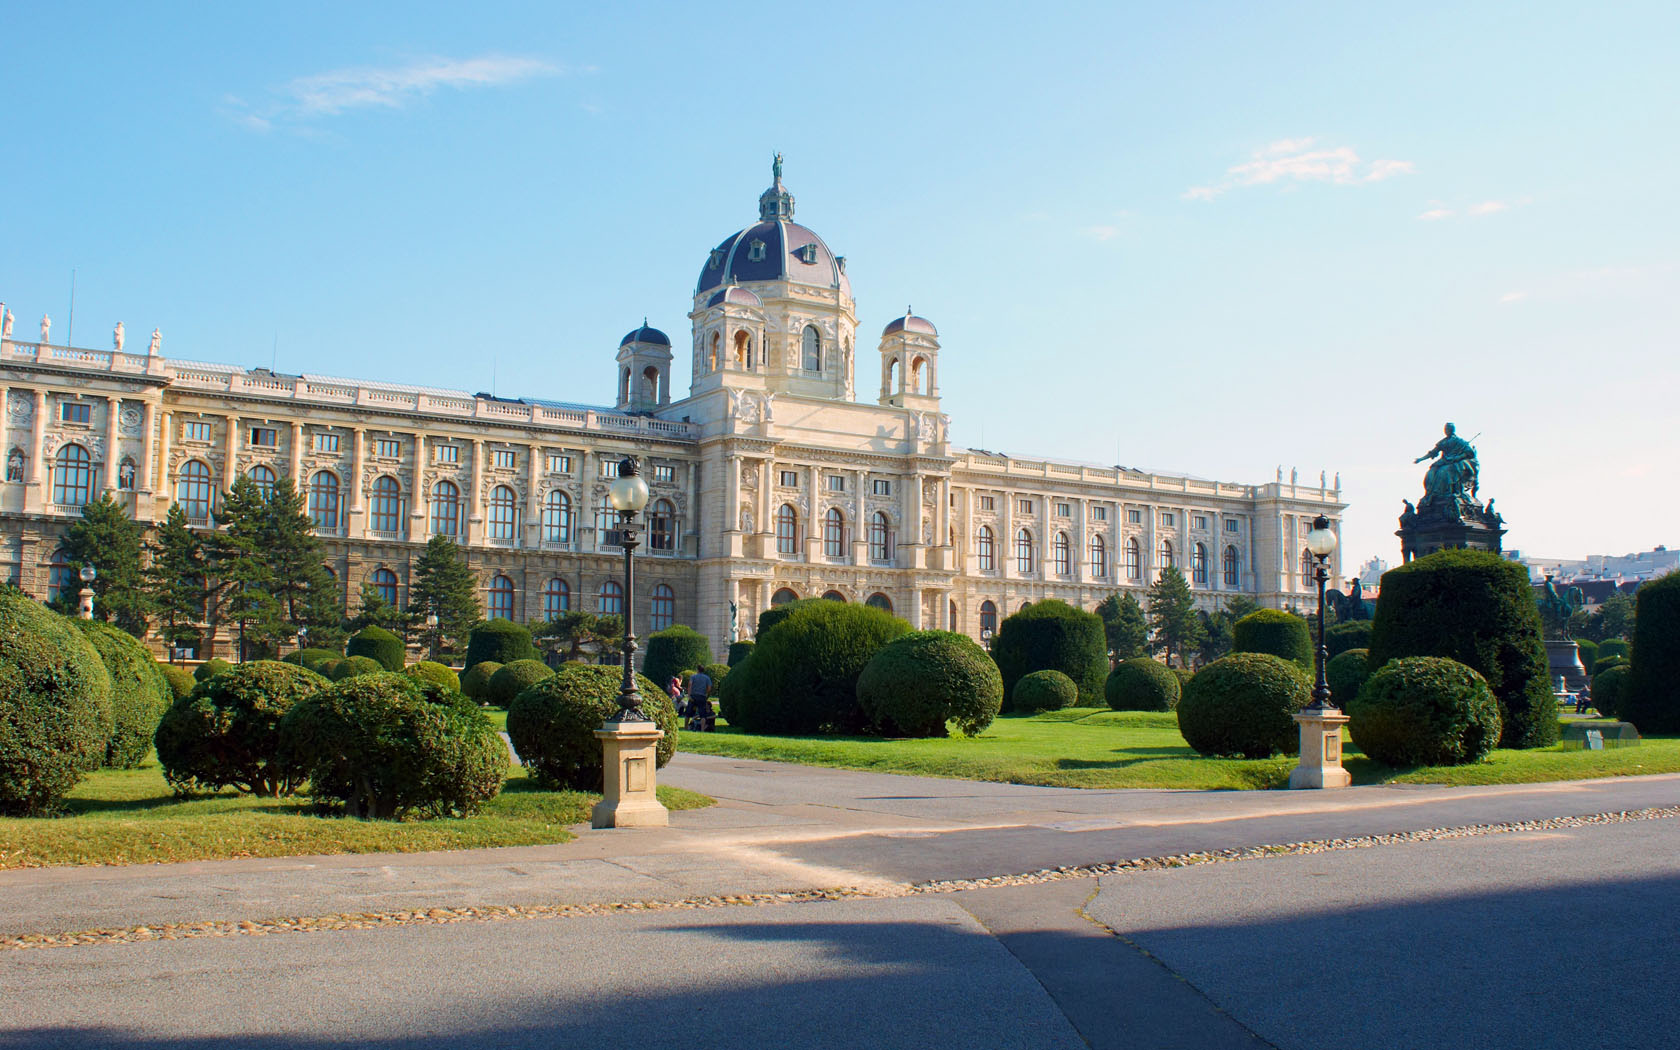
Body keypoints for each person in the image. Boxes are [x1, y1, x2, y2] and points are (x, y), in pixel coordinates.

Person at [686, 667, 714, 731]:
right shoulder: (707, 678)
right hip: (702, 696)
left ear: (697, 670)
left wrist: (689, 695)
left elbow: (690, 685)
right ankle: (702, 729)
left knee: (688, 713)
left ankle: (685, 727)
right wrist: (706, 694)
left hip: (693, 696)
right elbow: (709, 688)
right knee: (702, 714)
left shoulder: (693, 676)